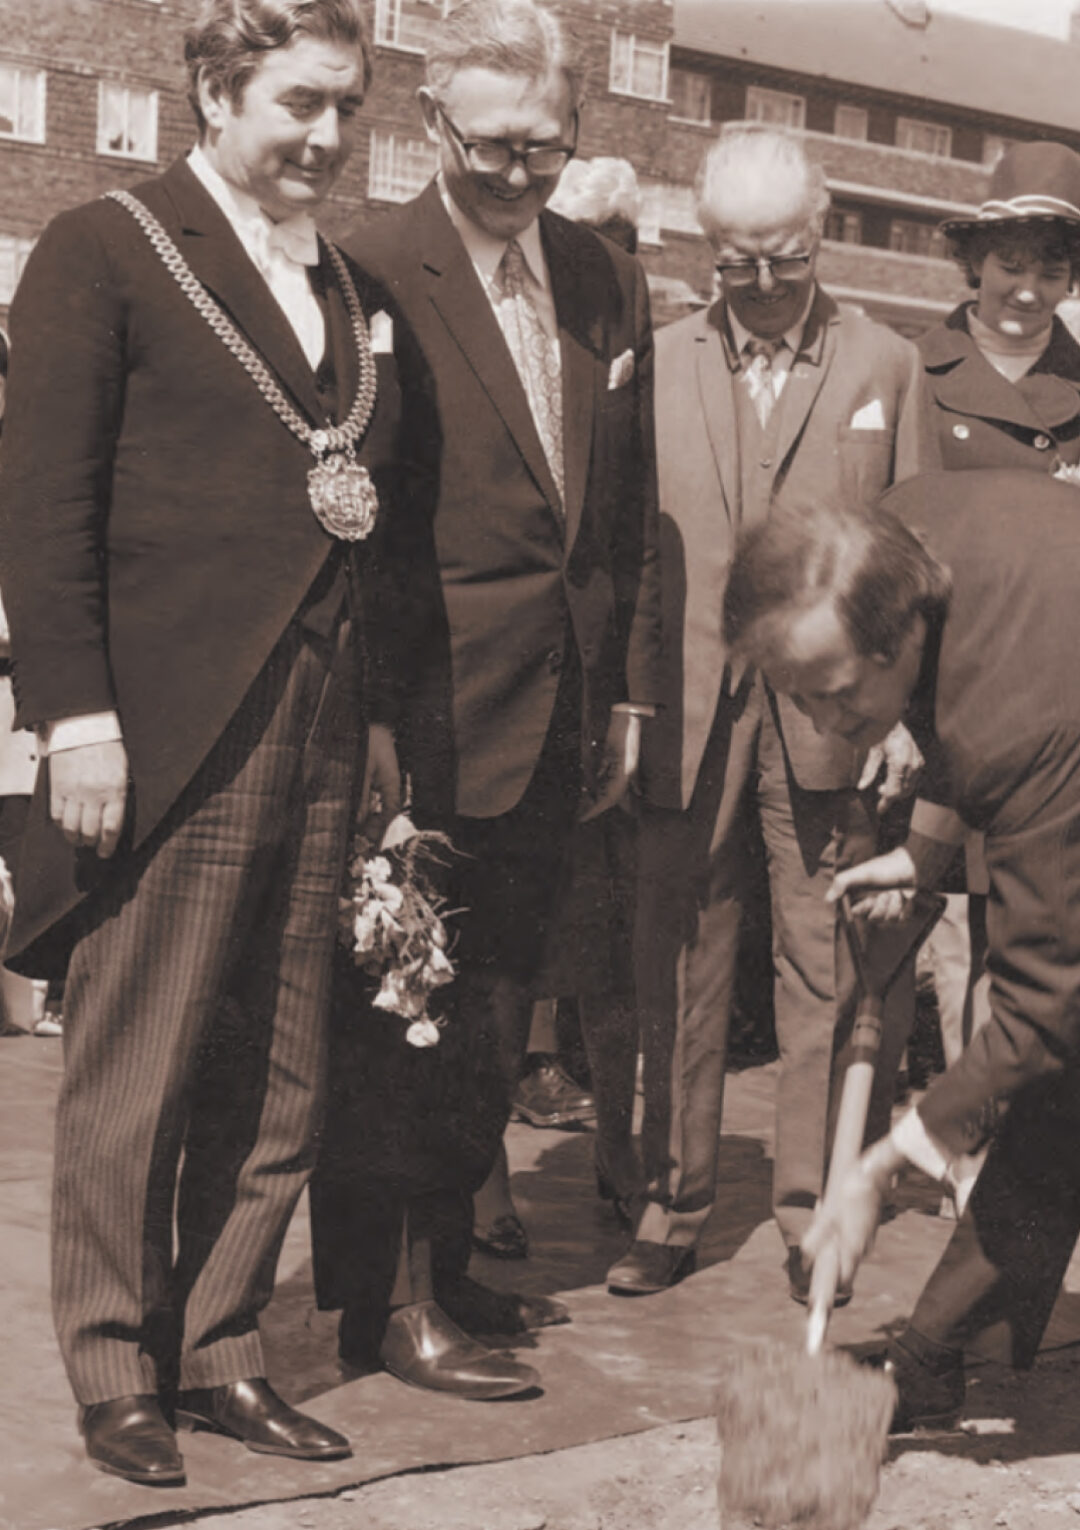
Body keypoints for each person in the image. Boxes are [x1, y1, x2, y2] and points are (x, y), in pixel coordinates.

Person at [0, 0, 412, 1485]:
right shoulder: (102, 249)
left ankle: (224, 1344)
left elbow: (371, 528)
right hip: (168, 730)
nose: (326, 137)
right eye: (300, 103)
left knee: (283, 1065)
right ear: (216, 87)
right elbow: (41, 513)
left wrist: (373, 731)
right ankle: (116, 1366)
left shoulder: (357, 288)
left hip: (321, 720)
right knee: (141, 1064)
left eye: (347, 109)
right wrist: (77, 723)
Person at [309, 0, 662, 1379]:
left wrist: (625, 694)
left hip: (561, 716)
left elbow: (617, 510)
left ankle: (451, 1262)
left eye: (549, 146)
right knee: (405, 1014)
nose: (523, 174)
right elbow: (361, 523)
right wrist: (379, 718)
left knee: (499, 1016)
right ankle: (388, 1300)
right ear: (433, 126)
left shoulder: (601, 277)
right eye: (495, 146)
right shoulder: (371, 270)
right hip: (428, 713)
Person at [608, 124, 927, 1301]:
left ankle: (812, 1212)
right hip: (689, 711)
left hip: (833, 720)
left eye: (782, 257)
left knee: (829, 966)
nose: (758, 283)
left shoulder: (888, 365)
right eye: (733, 260)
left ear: (824, 228)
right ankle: (672, 1200)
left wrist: (900, 715)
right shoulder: (655, 357)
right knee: (680, 967)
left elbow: (915, 556)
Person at [721, 471, 1080, 1431]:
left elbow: (1046, 1007)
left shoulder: (1018, 714)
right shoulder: (899, 533)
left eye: (838, 699)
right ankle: (936, 1352)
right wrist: (922, 855)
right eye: (796, 699)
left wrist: (884, 1162)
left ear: (901, 638)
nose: (826, 728)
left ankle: (937, 1349)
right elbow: (954, 703)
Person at [914, 139, 1080, 1083]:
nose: (1026, 287)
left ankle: (1004, 1159)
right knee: (943, 942)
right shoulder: (916, 375)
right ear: (974, 259)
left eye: (1050, 267)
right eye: (1010, 262)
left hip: (1054, 710)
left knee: (1032, 939)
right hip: (944, 704)